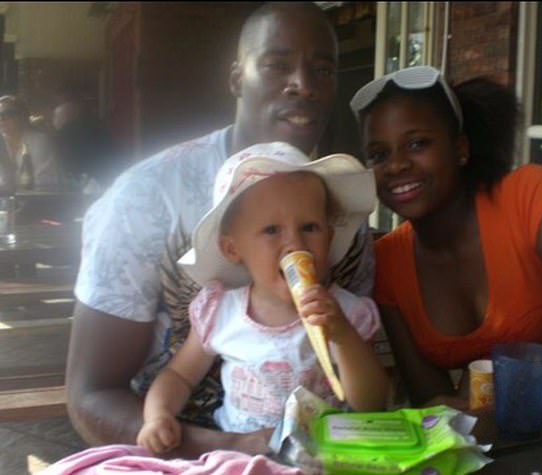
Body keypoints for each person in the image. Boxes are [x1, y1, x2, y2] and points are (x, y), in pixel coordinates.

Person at [67, 2, 376, 459]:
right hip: (177, 451)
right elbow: (91, 396)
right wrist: (234, 449)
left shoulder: (336, 214)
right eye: (277, 64)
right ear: (236, 78)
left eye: (323, 70)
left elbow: (358, 386)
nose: (304, 85)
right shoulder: (145, 198)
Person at [349, 65, 542, 408]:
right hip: (506, 453)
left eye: (417, 143)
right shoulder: (387, 262)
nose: (396, 166)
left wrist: (499, 380)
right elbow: (436, 406)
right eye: (379, 154)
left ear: (461, 149)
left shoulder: (528, 198)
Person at [136, 142, 388, 454]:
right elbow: (178, 376)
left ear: (329, 236)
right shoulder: (221, 312)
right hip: (241, 455)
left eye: (310, 227)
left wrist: (342, 336)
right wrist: (157, 416)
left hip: (325, 456)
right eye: (271, 230)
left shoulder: (345, 312)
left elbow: (372, 403)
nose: (295, 243)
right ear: (233, 249)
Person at [52, 89, 124, 192]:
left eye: (56, 118)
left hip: (76, 187)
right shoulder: (102, 130)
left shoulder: (65, 136)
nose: (53, 123)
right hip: (106, 183)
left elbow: (65, 165)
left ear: (68, 116)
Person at [0, 95, 61, 189]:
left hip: (36, 200)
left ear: (22, 116)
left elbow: (44, 181)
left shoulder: (39, 141)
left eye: (8, 114)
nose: (2, 119)